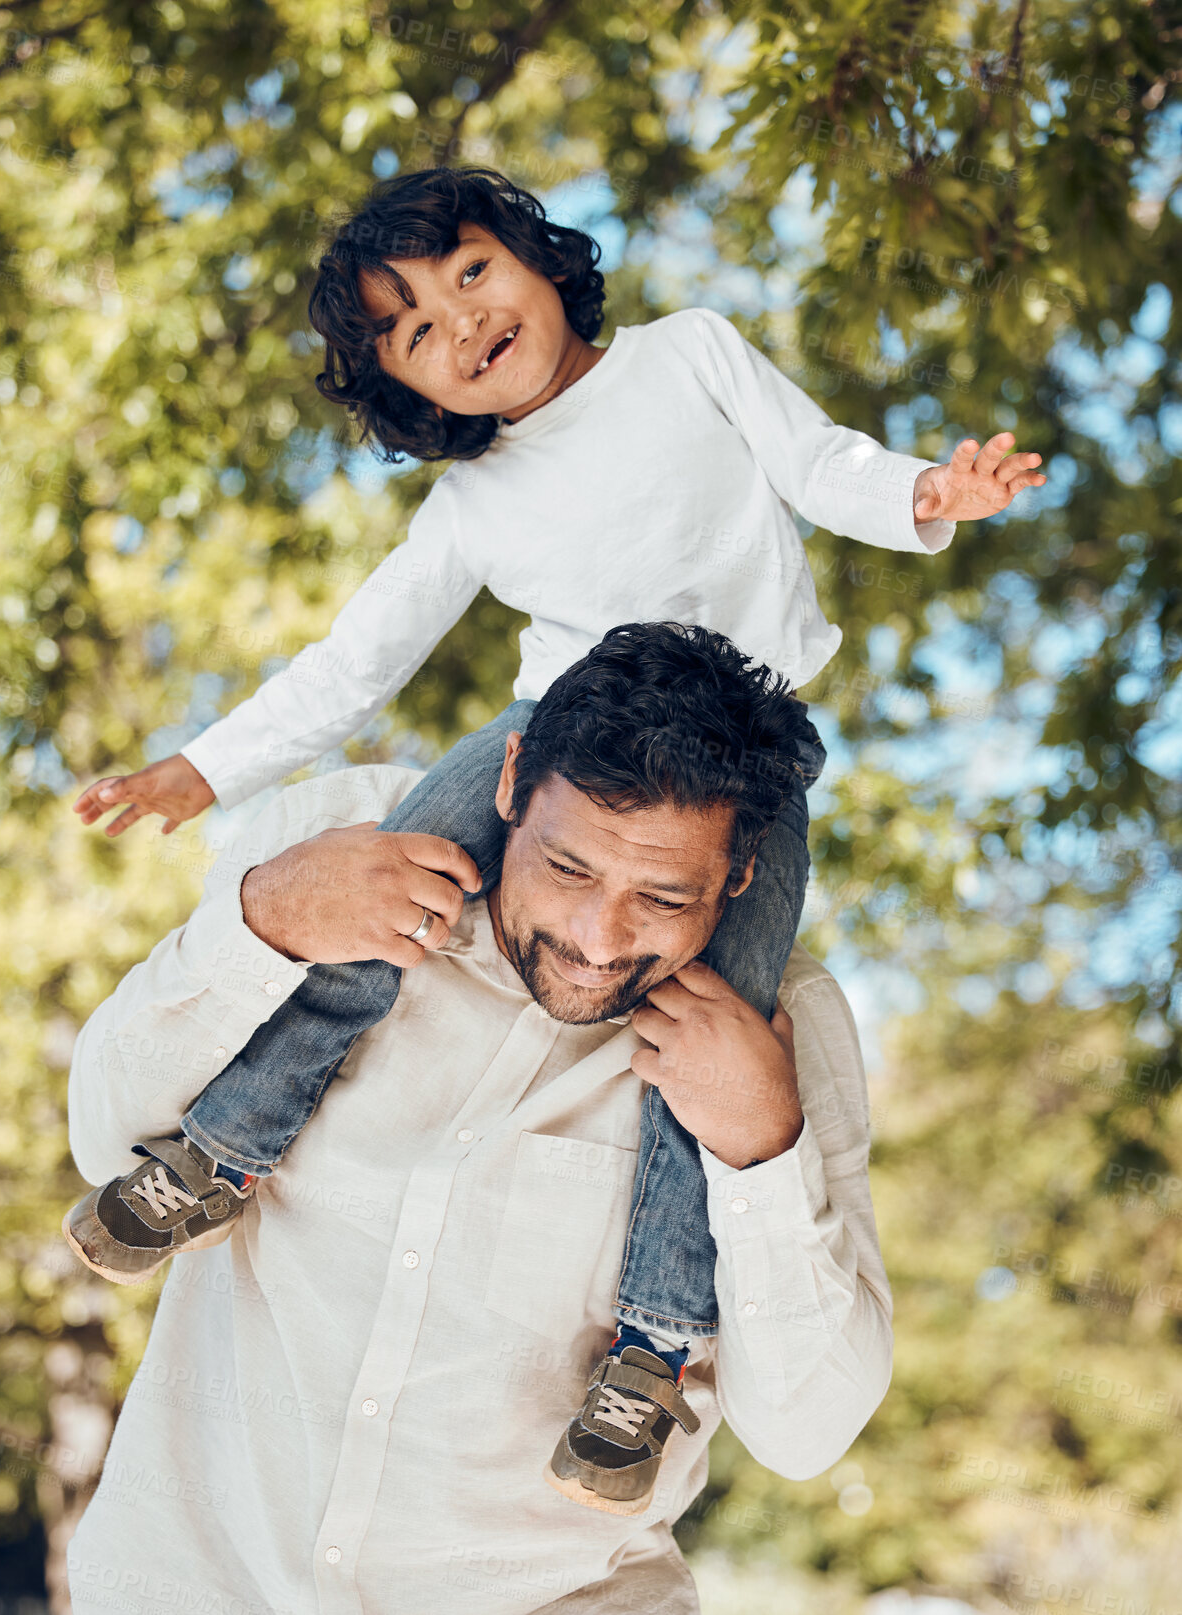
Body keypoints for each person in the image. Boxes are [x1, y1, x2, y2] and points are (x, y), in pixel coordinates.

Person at [65, 165, 1045, 1505]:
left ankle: (650, 1343)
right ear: (414, 396)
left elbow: (823, 466)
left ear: (535, 256)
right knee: (391, 885)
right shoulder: (474, 504)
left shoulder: (689, 355)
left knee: (717, 1029)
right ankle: (224, 1147)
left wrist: (931, 495)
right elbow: (357, 663)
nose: (459, 321)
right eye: (412, 329)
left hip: (740, 761)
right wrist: (204, 764)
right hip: (553, 727)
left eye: (470, 273)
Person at [65, 623, 893, 1613]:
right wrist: (259, 924)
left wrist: (762, 1151)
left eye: (663, 896)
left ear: (742, 871)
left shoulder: (783, 1035)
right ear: (510, 785)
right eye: (570, 869)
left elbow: (805, 1433)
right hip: (193, 1581)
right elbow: (102, 1138)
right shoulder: (341, 845)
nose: (599, 939)